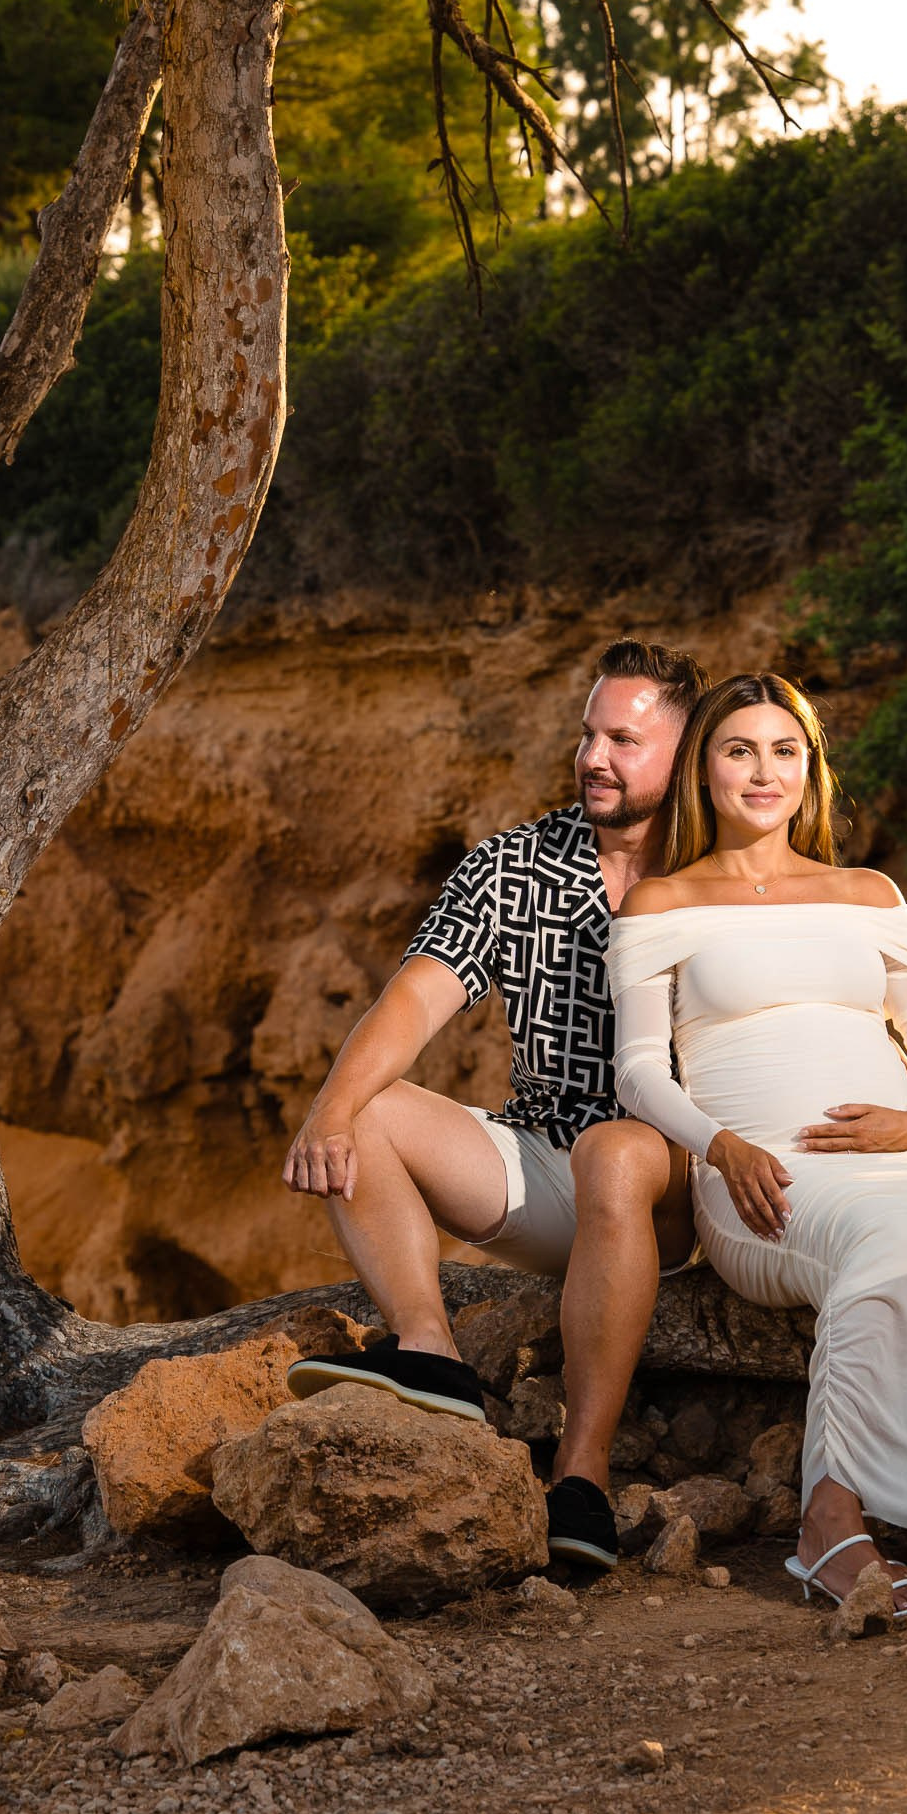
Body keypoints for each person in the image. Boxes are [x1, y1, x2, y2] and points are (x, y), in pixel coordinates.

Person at [281, 637, 705, 1569]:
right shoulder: (515, 864)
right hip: (551, 1161)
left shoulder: (728, 873)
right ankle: (430, 1352)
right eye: (589, 734)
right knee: (371, 1106)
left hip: (686, 1185)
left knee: (620, 1151)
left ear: (684, 753)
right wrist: (331, 1108)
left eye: (625, 741)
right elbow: (414, 999)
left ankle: (581, 1474)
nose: (594, 756)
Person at [606, 669, 907, 1622]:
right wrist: (722, 1146)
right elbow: (638, 1073)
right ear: (704, 770)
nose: (763, 770)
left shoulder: (866, 893)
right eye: (739, 749)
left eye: (785, 750)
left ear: (810, 769)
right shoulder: (660, 904)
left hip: (896, 1152)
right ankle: (830, 1519)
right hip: (762, 1180)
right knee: (879, 1238)